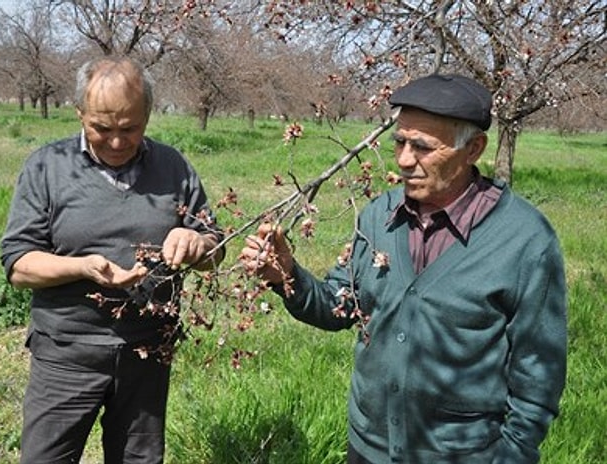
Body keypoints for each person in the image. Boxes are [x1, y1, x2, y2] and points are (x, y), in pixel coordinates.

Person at [241, 74, 567, 463]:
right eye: (399, 142)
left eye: (423, 147)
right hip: (369, 449)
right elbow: (340, 305)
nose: (403, 160)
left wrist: (511, 454)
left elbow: (538, 375)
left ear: (473, 149)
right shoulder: (381, 216)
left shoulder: (524, 240)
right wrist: (287, 275)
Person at [0, 56, 223, 464]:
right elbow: (18, 264)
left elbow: (216, 247)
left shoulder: (173, 167)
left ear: (148, 115)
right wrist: (83, 267)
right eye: (102, 128)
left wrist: (196, 242)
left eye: (130, 128)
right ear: (80, 114)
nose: (117, 142)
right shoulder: (47, 167)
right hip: (66, 352)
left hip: (147, 353)